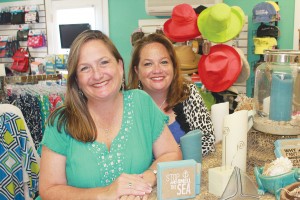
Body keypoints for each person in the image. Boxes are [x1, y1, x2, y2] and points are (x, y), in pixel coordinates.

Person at [39, 30, 182, 200]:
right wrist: (105, 193)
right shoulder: (61, 123)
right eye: (85, 68)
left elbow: (171, 154)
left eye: (104, 62)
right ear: (76, 79)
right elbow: (49, 189)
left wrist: (149, 176)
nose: (98, 75)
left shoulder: (141, 103)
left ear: (120, 66)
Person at [127, 33, 215, 156]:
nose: (157, 70)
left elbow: (207, 140)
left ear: (173, 66)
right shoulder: (128, 104)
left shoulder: (187, 93)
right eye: (148, 64)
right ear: (137, 70)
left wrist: (169, 157)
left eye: (164, 62)